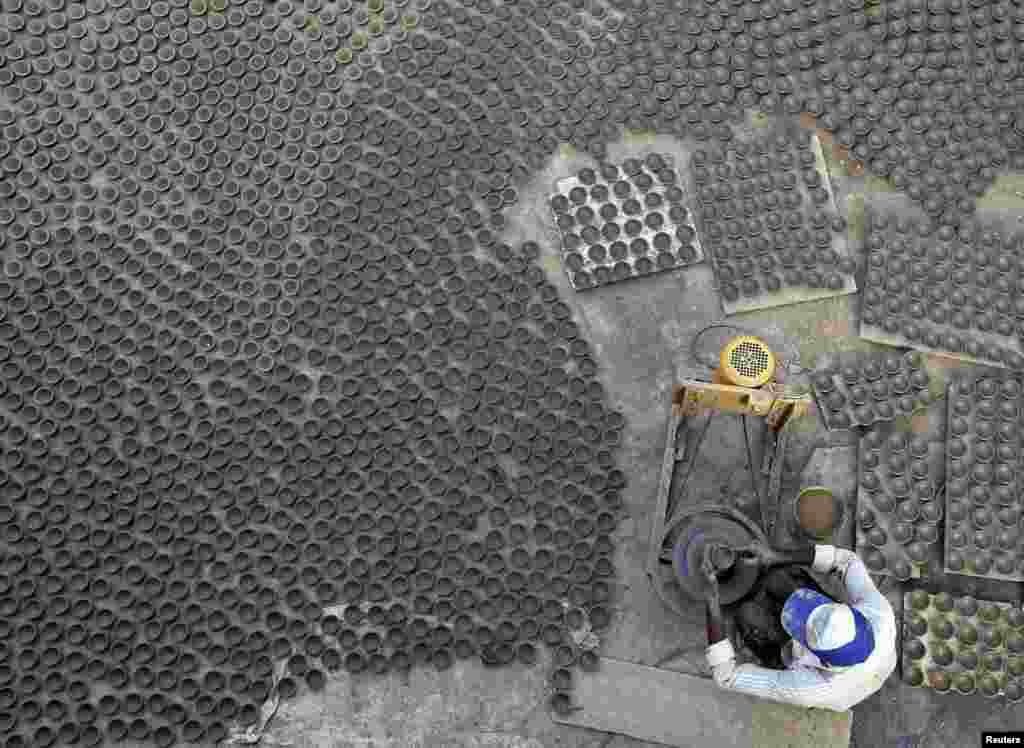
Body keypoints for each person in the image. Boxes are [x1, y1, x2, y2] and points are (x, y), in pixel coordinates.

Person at [701, 542, 896, 711]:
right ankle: (785, 604)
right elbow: (848, 561)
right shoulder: (879, 615)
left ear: (823, 661)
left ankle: (773, 648)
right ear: (852, 612)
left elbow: (726, 676)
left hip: (846, 685)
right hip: (868, 663)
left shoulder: (806, 688)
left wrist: (711, 598)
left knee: (747, 613)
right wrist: (776, 556)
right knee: (776, 578)